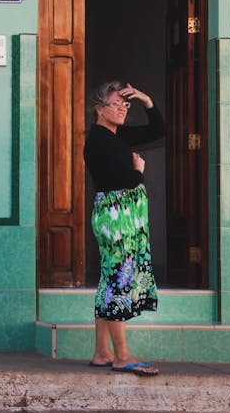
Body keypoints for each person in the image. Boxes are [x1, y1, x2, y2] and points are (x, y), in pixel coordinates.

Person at [83, 81, 165, 377]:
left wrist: (146, 99)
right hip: (116, 219)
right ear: (99, 110)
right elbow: (124, 182)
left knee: (110, 281)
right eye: (115, 105)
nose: (121, 110)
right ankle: (122, 355)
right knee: (118, 282)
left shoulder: (116, 135)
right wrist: (139, 171)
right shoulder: (100, 141)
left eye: (125, 105)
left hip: (122, 217)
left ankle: (102, 353)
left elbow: (157, 131)